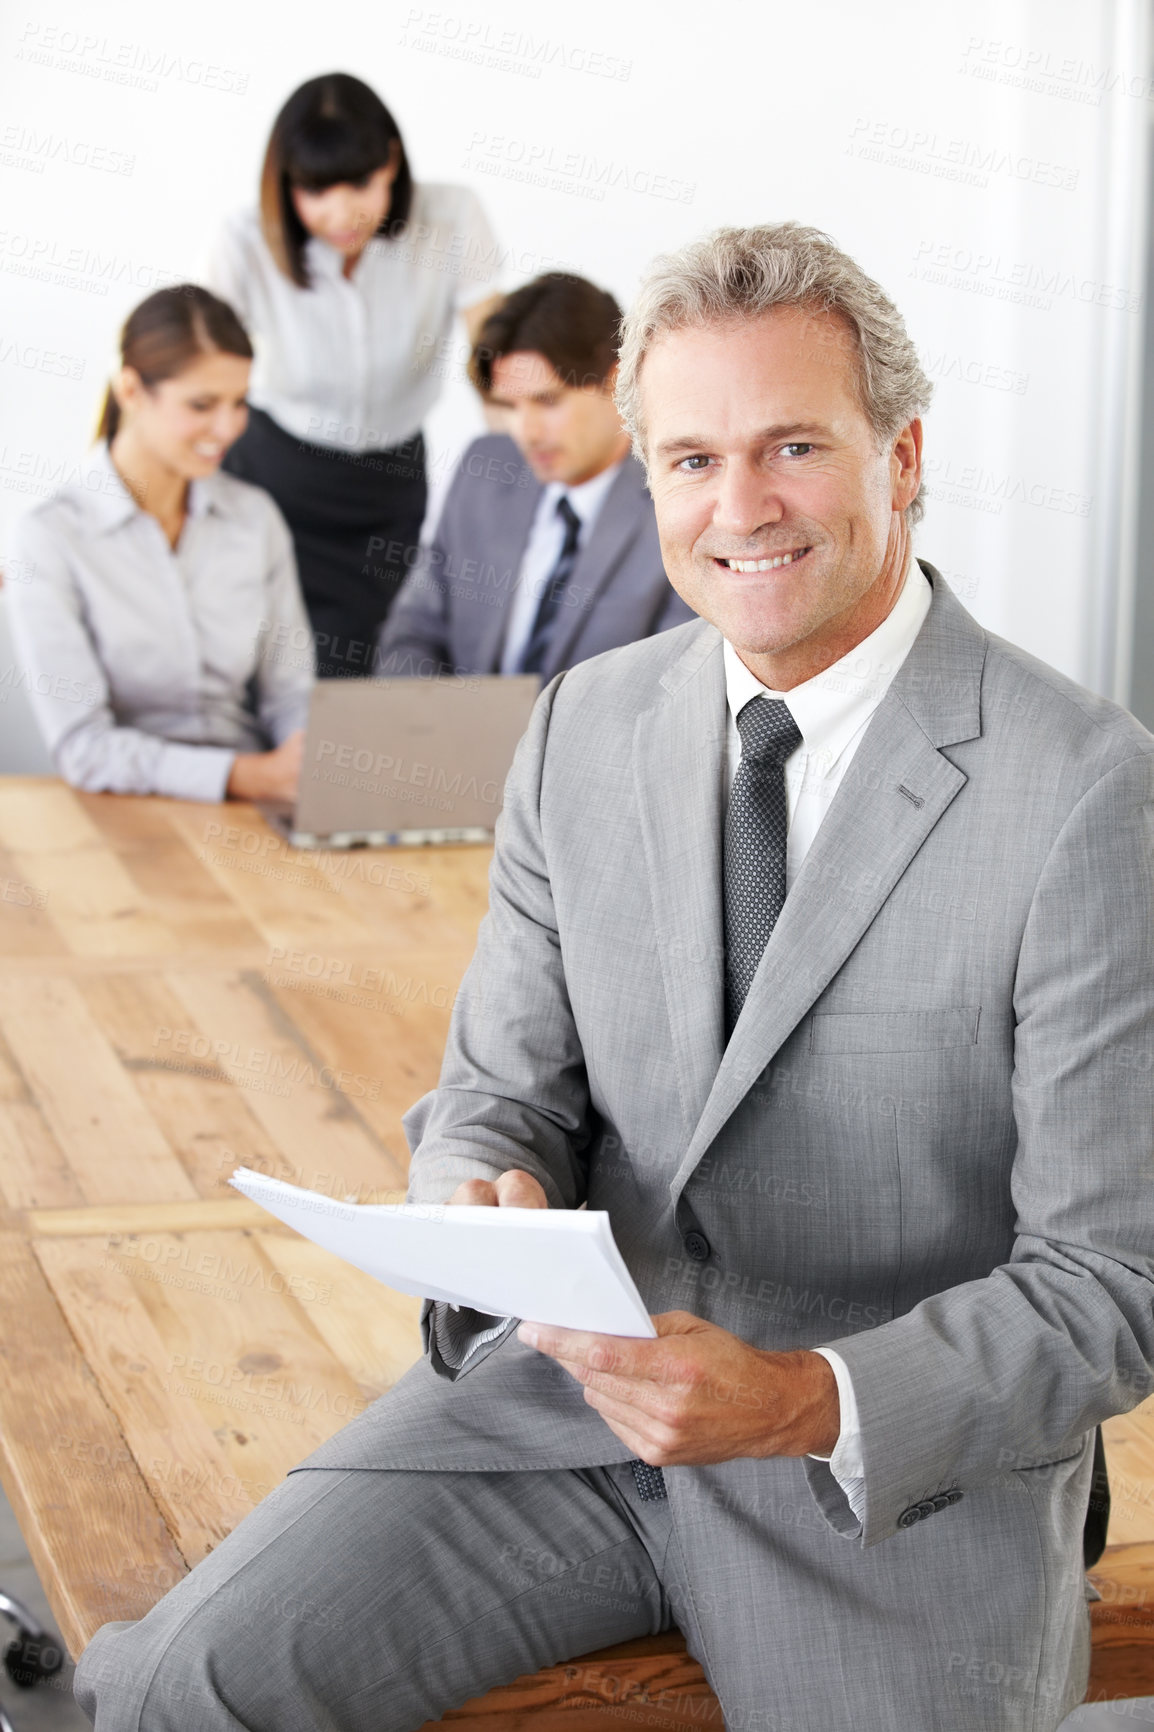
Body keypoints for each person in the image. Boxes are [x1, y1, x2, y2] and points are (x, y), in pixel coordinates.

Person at [74, 224, 1154, 1732]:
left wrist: (796, 1399)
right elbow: (499, 1088)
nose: (741, 508)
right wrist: (479, 1187)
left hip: (889, 1489)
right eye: (692, 460)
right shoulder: (584, 725)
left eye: (792, 446)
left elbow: (1112, 1286)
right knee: (171, 1691)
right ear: (644, 476)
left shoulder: (1082, 782)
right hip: (561, 1417)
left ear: (901, 458)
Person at [207, 72, 502, 679]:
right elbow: (200, 368)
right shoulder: (243, 241)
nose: (341, 213)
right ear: (285, 184)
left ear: (391, 161)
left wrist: (516, 472)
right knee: (264, 661)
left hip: (389, 483)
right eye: (315, 191)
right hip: (275, 475)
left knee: (374, 663)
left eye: (360, 184)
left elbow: (494, 361)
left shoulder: (451, 216)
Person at [8, 286, 312, 803]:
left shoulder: (254, 518)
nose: (229, 427)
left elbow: (291, 692)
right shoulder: (52, 537)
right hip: (124, 810)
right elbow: (84, 747)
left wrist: (302, 754)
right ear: (130, 390)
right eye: (202, 404)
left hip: (258, 810)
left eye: (240, 403)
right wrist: (246, 775)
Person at [376, 272, 692, 682]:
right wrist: (442, 727)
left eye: (547, 400)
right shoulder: (483, 469)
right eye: (510, 405)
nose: (525, 432)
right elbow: (410, 634)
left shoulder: (679, 501)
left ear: (617, 383)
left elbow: (675, 685)